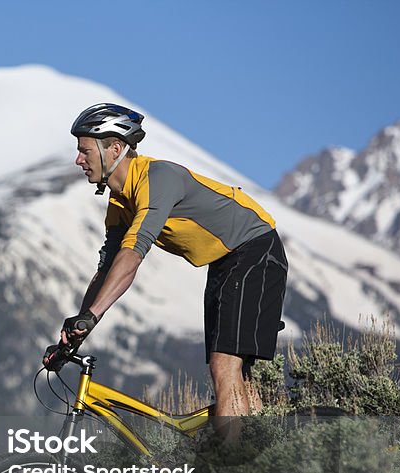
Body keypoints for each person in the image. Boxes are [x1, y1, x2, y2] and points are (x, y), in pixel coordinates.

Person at [60, 104, 288, 417]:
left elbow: (131, 257)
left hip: (254, 248)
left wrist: (93, 315)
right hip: (225, 261)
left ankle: (233, 464)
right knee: (238, 378)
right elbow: (107, 271)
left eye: (85, 151)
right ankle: (264, 456)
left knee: (225, 365)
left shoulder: (158, 178)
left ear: (114, 149)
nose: (78, 160)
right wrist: (77, 330)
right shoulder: (119, 202)